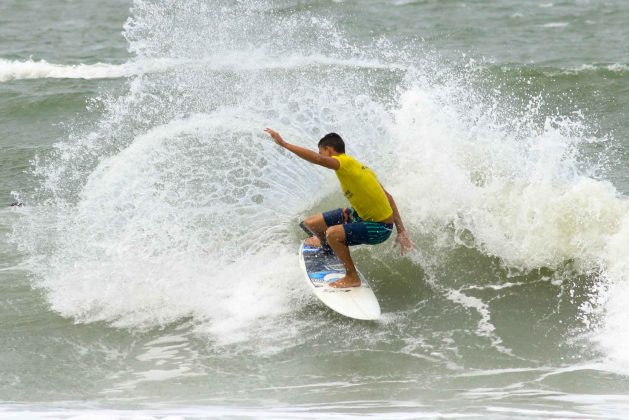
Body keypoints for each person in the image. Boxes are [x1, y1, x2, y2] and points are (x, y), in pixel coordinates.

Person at [265, 128, 414, 288]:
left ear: (328, 150)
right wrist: (402, 231)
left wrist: (284, 144)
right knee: (311, 224)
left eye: (321, 151)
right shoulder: (358, 167)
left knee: (332, 233)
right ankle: (328, 247)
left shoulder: (344, 163)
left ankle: (352, 277)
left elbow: (318, 159)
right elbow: (389, 197)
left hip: (379, 228)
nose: (321, 155)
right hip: (361, 216)